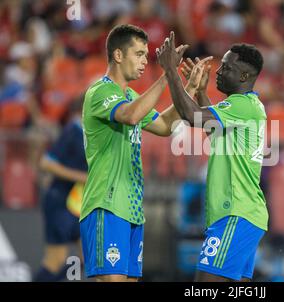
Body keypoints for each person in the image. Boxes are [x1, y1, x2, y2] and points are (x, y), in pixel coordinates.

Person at [80, 24, 203, 282]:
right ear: (118, 55)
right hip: (107, 203)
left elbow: (166, 126)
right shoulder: (100, 91)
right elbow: (131, 115)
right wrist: (168, 74)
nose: (144, 61)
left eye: (146, 55)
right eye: (138, 54)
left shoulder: (131, 95)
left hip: (132, 208)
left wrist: (187, 88)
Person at [156, 32, 267, 282]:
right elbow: (211, 128)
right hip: (243, 215)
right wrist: (201, 92)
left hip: (236, 214)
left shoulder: (242, 105)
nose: (218, 71)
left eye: (226, 67)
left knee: (205, 285)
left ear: (244, 76)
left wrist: (170, 71)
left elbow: (191, 116)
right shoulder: (246, 107)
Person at [33, 99, 87, 282]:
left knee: (88, 256)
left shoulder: (91, 134)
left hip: (78, 205)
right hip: (60, 201)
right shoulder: (73, 131)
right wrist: (81, 177)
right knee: (56, 260)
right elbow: (46, 163)